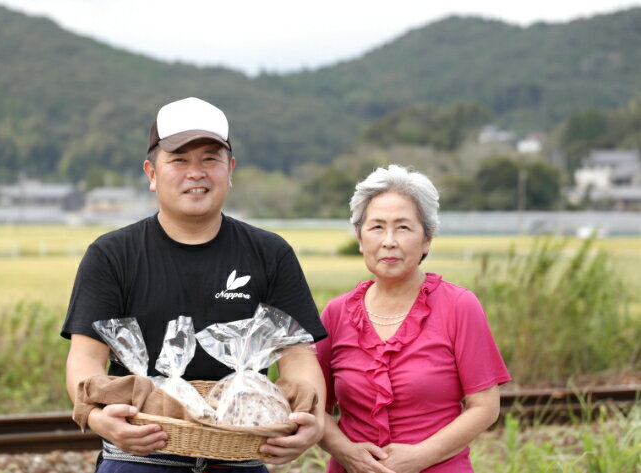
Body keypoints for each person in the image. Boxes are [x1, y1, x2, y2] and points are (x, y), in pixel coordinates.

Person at [62, 97, 327, 473]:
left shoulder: (270, 253)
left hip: (240, 459)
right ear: (151, 173)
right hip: (138, 458)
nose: (196, 172)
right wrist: (93, 415)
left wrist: (309, 419)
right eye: (179, 160)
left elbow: (299, 357)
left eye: (209, 158)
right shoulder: (112, 254)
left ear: (230, 169)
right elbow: (86, 357)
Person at [315, 164, 511, 473]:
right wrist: (346, 451)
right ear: (360, 237)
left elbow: (485, 407)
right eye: (377, 227)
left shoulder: (459, 306)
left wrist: (420, 456)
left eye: (403, 227)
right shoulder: (336, 313)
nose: (389, 241)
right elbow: (316, 407)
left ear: (427, 238)